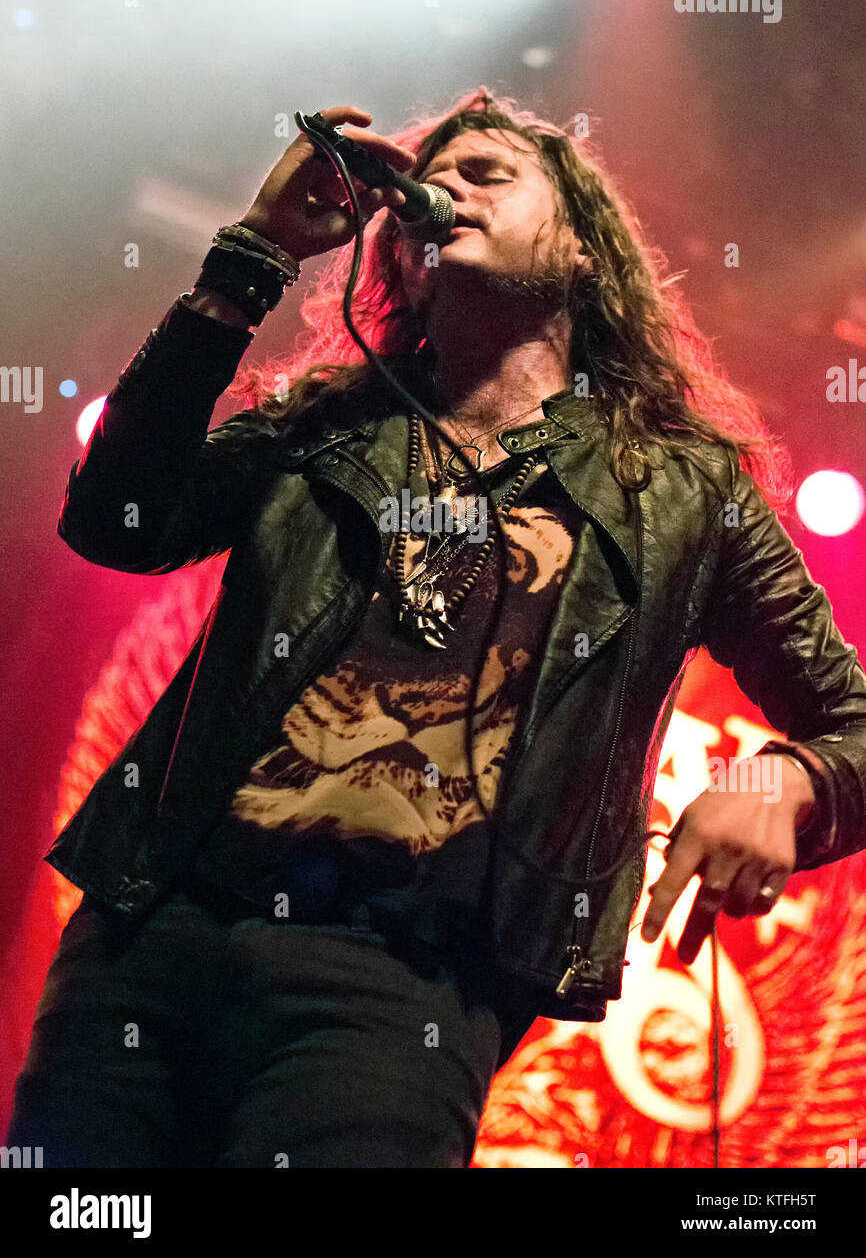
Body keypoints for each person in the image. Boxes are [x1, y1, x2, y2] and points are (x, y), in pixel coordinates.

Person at [8, 87, 866, 1168]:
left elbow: (852, 720)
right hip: (147, 934)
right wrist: (251, 255)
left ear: (583, 253)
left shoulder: (682, 491)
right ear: (399, 266)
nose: (445, 190)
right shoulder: (322, 423)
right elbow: (114, 521)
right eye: (435, 180)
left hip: (396, 984)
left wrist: (781, 782)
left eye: (488, 174)